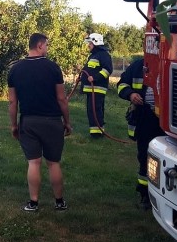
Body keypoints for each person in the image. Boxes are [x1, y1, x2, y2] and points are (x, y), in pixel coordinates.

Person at [8, 33, 73, 212]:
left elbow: (13, 102)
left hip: (28, 122)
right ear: (39, 45)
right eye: (46, 45)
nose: (47, 49)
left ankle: (33, 202)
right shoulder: (53, 68)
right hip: (52, 122)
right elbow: (62, 99)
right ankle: (59, 202)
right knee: (53, 163)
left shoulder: (15, 69)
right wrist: (67, 122)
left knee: (33, 163)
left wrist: (14, 125)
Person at [117, 57, 165, 210]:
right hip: (146, 117)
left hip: (168, 118)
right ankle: (145, 193)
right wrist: (131, 94)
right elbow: (122, 84)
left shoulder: (172, 63)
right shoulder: (139, 65)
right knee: (145, 156)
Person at [81, 33, 113, 139]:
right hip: (92, 89)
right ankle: (96, 132)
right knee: (92, 110)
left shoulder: (103, 55)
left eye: (90, 43)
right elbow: (89, 70)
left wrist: (94, 78)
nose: (88, 45)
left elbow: (107, 70)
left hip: (97, 88)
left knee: (95, 110)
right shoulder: (94, 55)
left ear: (95, 42)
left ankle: (97, 134)